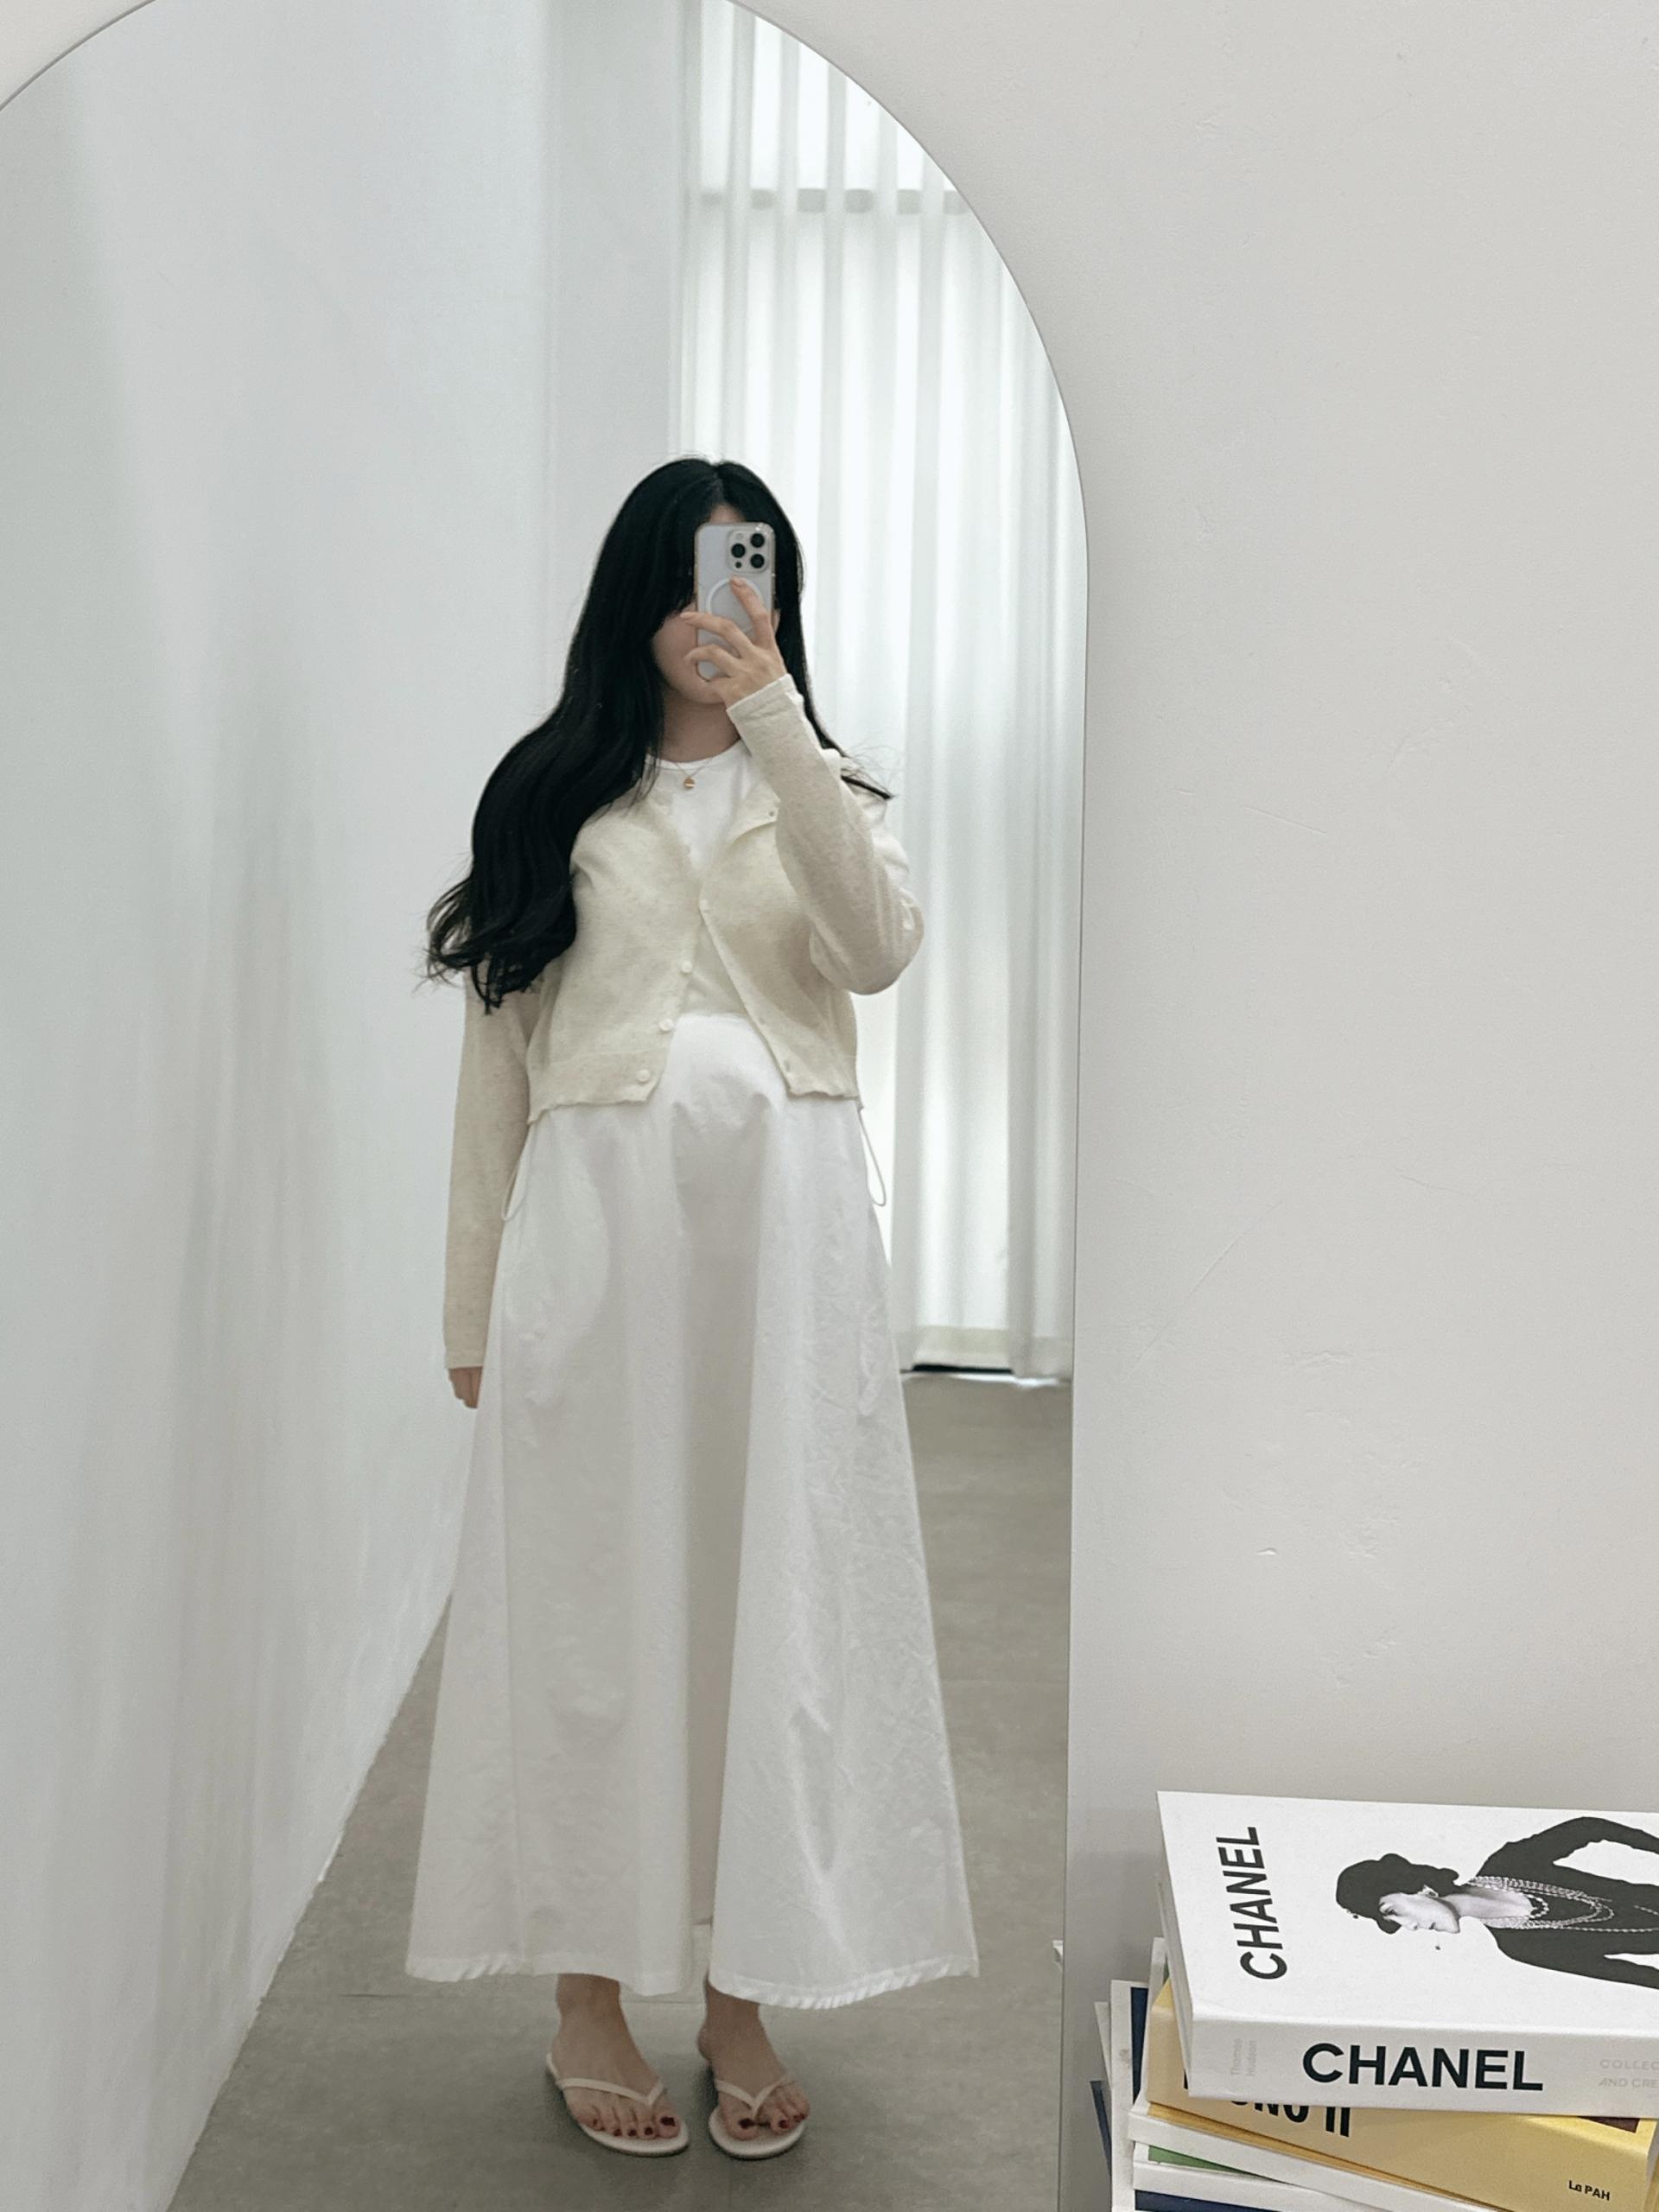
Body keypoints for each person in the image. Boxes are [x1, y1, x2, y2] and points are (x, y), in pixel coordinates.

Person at [403, 456, 978, 2159]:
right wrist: (470, 1307)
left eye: (756, 572)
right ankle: (586, 1993)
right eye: (701, 572)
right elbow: (498, 1067)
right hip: (597, 1247)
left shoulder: (825, 787)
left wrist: (780, 721)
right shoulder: (553, 795)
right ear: (639, 591)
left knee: (771, 1604)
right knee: (595, 1606)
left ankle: (741, 1993)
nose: (725, 605)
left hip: (785, 1255)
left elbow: (875, 950)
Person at [1335, 1815, 1659, 1989]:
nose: (1410, 1927)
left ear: (1415, 1888)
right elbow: (1625, 1973)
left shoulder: (1509, 1864)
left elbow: (1587, 1828)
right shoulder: (1519, 1947)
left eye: (1392, 1912)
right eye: (1394, 1924)